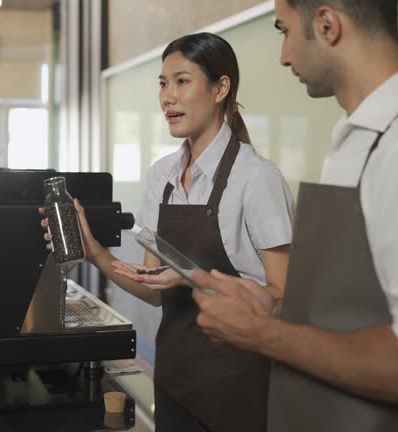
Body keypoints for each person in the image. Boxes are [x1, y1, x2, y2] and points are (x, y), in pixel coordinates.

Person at [191, 1, 398, 431]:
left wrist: (264, 335)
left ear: (328, 24)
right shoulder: (359, 138)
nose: (284, 55)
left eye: (284, 31)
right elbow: (362, 304)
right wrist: (273, 305)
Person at [42, 32, 294, 431]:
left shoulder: (257, 179)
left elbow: (286, 298)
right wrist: (94, 252)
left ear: (220, 88)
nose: (167, 97)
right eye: (162, 83)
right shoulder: (162, 176)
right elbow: (152, 288)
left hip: (240, 384)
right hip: (175, 377)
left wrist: (195, 279)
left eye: (182, 80)